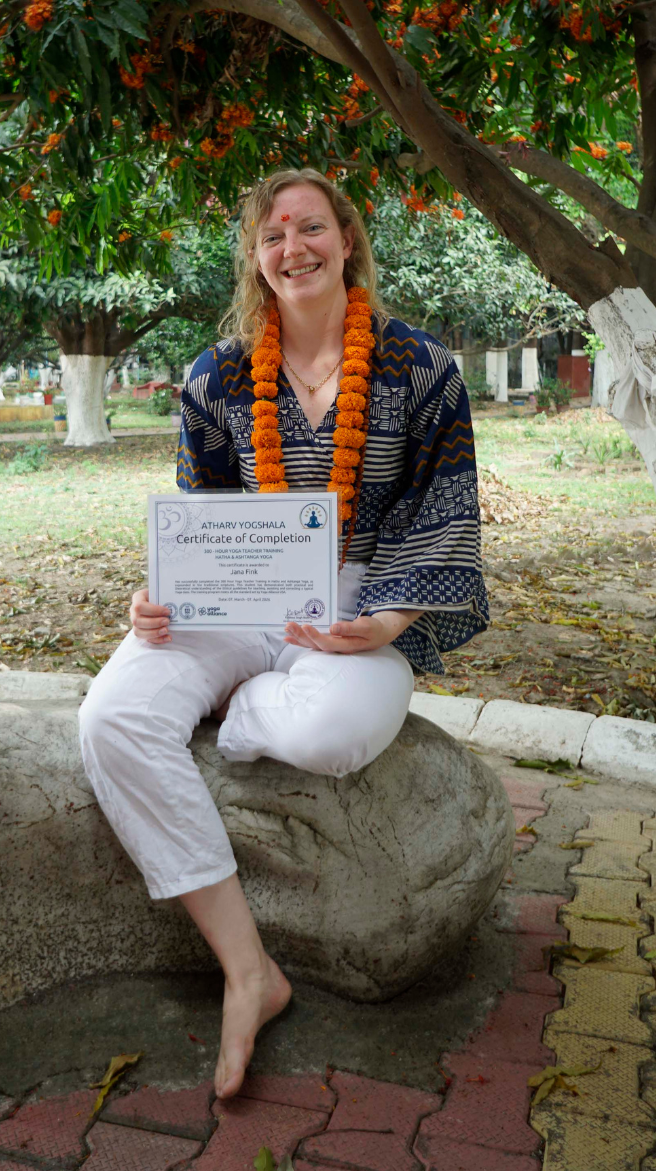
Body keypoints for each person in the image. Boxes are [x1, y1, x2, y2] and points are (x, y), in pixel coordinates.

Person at [79, 168, 488, 1100]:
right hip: (235, 599)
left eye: (310, 229)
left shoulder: (419, 369)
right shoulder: (217, 374)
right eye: (272, 237)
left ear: (346, 239)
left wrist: (385, 619)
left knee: (330, 737)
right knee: (111, 720)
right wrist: (159, 599)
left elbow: (445, 514)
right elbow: (198, 522)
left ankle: (245, 705)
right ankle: (248, 970)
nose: (292, 248)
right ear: (257, 260)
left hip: (358, 598)